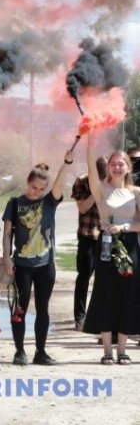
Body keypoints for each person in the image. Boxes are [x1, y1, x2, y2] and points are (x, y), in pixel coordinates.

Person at [1, 154, 72, 366]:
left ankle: (40, 352)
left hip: (45, 264)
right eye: (34, 187)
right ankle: (19, 351)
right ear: (27, 183)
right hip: (22, 265)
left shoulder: (49, 201)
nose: (37, 192)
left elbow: (59, 182)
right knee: (20, 308)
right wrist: (7, 258)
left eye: (41, 189)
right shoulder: (14, 203)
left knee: (43, 308)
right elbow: (7, 234)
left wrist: (66, 163)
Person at [82, 142, 140, 364]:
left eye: (121, 164)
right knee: (105, 294)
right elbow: (90, 169)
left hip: (130, 246)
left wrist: (125, 227)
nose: (117, 167)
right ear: (108, 167)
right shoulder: (101, 189)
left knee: (127, 295)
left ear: (128, 167)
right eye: (113, 164)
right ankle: (107, 351)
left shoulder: (136, 192)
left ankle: (122, 350)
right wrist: (90, 145)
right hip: (106, 246)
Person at [71, 157, 107, 330]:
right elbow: (83, 207)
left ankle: (99, 316)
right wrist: (96, 189)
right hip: (87, 235)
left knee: (104, 279)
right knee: (84, 276)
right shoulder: (82, 181)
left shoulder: (114, 183)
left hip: (106, 236)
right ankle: (80, 317)